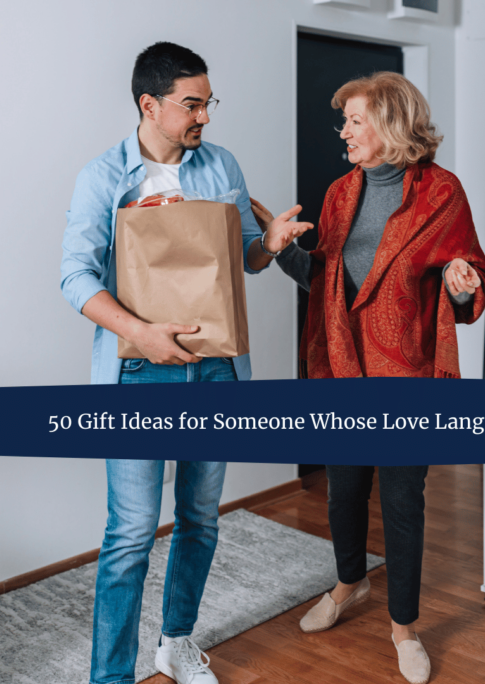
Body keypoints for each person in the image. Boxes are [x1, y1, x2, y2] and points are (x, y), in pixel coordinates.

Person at [60, 42, 310, 684]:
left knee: (199, 518)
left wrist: (271, 247)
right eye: (192, 104)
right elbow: (74, 277)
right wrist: (140, 333)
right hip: (141, 375)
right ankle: (110, 676)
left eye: (207, 102)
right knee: (132, 534)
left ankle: (175, 644)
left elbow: (243, 262)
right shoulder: (103, 177)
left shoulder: (221, 165)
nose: (205, 117)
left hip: (218, 370)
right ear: (150, 104)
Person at [253, 71, 485, 684]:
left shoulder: (441, 193)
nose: (345, 132)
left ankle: (405, 627)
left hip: (404, 371)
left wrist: (464, 286)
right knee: (343, 490)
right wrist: (281, 249)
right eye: (346, 122)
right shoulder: (339, 193)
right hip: (341, 365)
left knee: (402, 501)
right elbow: (323, 278)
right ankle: (349, 584)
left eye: (355, 120)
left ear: (390, 123)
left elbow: (468, 273)